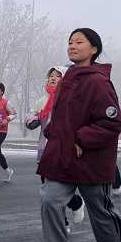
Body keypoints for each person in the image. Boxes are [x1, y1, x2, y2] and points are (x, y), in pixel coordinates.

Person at [34, 28, 121, 242]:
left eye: (79, 42)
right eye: (70, 42)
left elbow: (111, 123)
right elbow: (62, 116)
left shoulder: (99, 82)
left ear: (94, 49)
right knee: (50, 199)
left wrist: (81, 139)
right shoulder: (67, 79)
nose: (72, 46)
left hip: (91, 160)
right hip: (62, 156)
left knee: (101, 215)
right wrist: (52, 132)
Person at [27, 66, 85, 225]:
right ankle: (63, 222)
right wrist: (31, 120)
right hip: (45, 147)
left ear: (65, 80)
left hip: (63, 147)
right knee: (47, 187)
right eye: (51, 75)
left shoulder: (69, 99)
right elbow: (32, 114)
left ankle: (76, 203)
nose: (53, 78)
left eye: (58, 75)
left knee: (59, 186)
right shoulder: (42, 100)